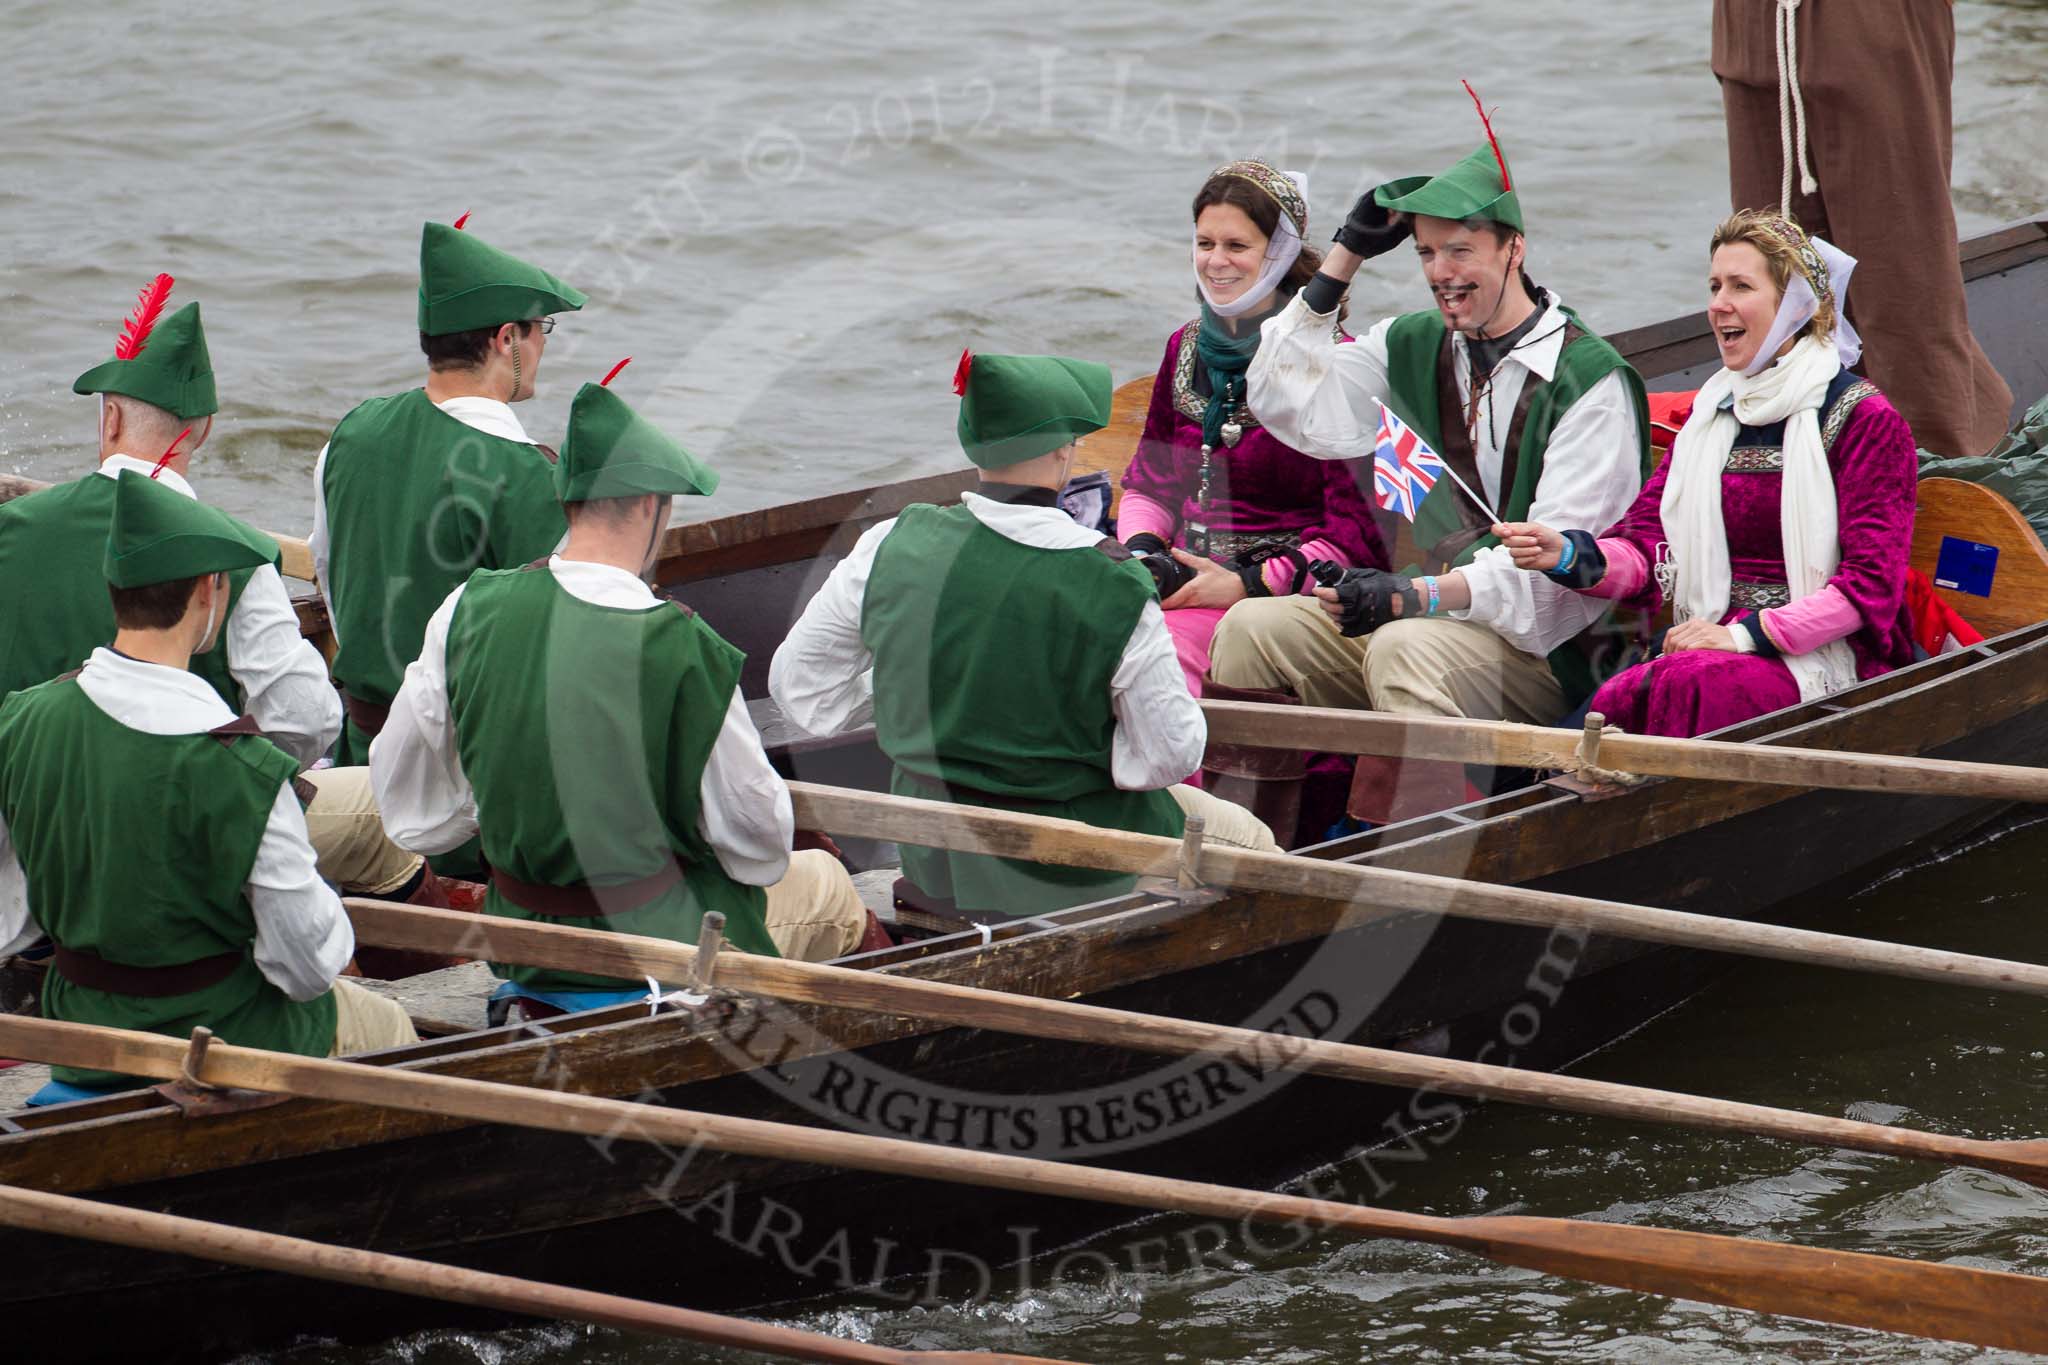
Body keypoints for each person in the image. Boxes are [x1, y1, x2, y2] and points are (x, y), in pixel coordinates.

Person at [370, 366, 875, 1017]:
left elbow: (407, 804)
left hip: (527, 945)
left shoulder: (464, 610)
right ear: (646, 503)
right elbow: (760, 846)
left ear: (568, 500)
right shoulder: (682, 644)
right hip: (663, 956)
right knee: (829, 884)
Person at [1207, 111, 1650, 820]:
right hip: (1435, 620)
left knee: (1403, 649)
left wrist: (1411, 597)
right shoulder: (1412, 342)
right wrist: (1344, 258)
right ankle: (1250, 844)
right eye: (1424, 254)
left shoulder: (1589, 381)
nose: (1441, 273)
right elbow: (1286, 402)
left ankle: (1418, 871)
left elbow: (1550, 583)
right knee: (1251, 631)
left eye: (1461, 251)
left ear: (1514, 250)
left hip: (1552, 657)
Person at [769, 350, 1279, 920]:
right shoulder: (1111, 580)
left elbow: (802, 691)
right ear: (1064, 453)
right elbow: (1168, 756)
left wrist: (922, 698)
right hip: (1074, 859)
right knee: (1256, 847)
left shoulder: (888, 542)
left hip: (934, 855)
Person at [0, 277, 437, 936]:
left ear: (109, 418)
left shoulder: (12, 530)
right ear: (201, 429)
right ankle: (418, 973)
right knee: (384, 808)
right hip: (174, 850)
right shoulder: (231, 554)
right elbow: (308, 723)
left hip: (29, 855)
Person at [0, 472, 417, 1096]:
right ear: (208, 590)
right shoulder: (244, 767)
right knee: (386, 1023)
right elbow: (304, 969)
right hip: (218, 1037)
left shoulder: (20, 719)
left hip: (81, 1036)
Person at [1495, 210, 1917, 738]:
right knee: (1610, 707)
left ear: (1796, 306)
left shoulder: (1864, 420)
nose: (1718, 304)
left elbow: (1869, 587)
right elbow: (1649, 546)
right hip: (1701, 647)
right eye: (1715, 285)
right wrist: (1571, 554)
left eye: (1741, 286)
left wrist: (1740, 638)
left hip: (1826, 655)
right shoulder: (1711, 415)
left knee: (1680, 686)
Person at [311, 218, 586, 769]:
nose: (542, 347)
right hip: (465, 777)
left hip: (363, 751)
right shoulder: (532, 476)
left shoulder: (352, 431)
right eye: (541, 329)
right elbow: (555, 660)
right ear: (506, 339)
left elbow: (329, 576)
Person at [1119, 160, 1386, 699]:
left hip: (1278, 598)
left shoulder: (1338, 366)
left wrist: (1243, 583)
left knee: (1154, 661)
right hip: (1179, 578)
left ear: (1280, 253)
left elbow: (1358, 540)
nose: (1215, 261)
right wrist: (1145, 556)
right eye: (1204, 242)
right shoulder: (1184, 345)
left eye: (1236, 246)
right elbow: (1150, 484)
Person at [1713, 0, 2010, 458]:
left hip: (1868, 20)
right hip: (1754, 20)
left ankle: (1934, 475)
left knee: (1898, 278)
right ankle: (1785, 465)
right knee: (1768, 273)